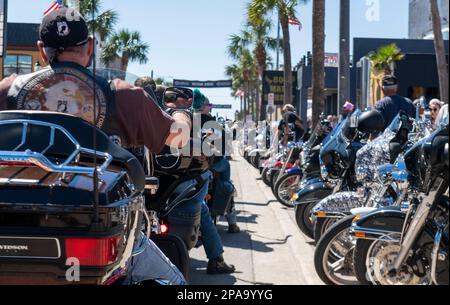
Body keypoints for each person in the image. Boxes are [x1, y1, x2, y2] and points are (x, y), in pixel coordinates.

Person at [0, 8, 190, 285]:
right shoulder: (124, 95)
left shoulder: (7, 90)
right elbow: (179, 139)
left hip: (12, 227)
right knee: (176, 284)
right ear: (90, 46)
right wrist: (182, 114)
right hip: (96, 226)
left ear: (42, 50)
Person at [192, 91, 241, 234]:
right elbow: (225, 146)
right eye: (210, 105)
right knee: (226, 180)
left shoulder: (187, 119)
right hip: (212, 165)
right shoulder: (212, 123)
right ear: (204, 107)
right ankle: (232, 223)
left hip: (191, 166)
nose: (211, 107)